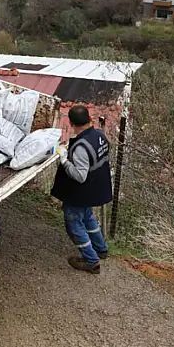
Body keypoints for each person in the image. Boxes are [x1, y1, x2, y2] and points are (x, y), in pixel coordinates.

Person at [52, 105, 112, 274]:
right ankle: (101, 248)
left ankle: (92, 261)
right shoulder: (100, 135)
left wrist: (64, 159)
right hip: (96, 188)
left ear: (70, 123)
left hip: (80, 193)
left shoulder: (80, 147)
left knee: (74, 224)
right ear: (90, 119)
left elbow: (80, 176)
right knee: (88, 217)